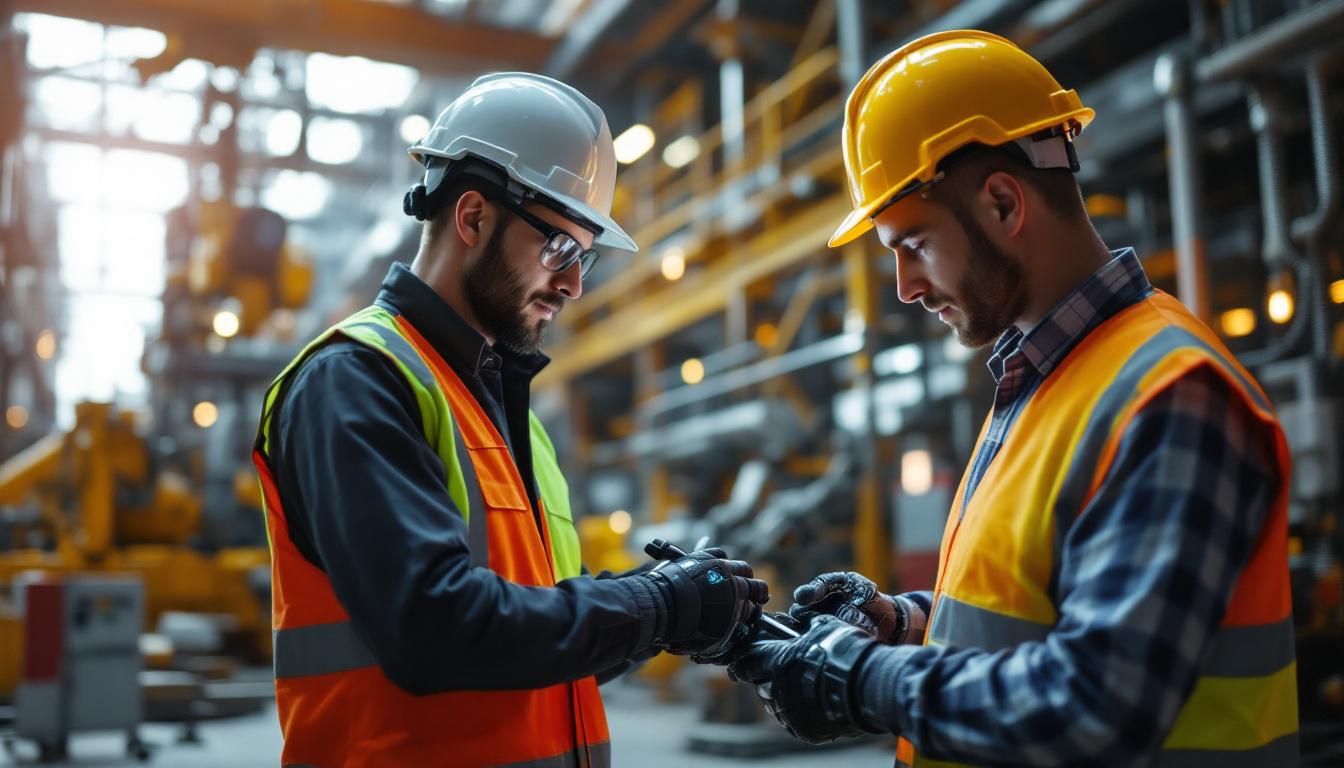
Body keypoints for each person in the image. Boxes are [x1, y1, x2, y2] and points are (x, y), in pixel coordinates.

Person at [726, 30, 1297, 767]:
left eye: (914, 245)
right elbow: (1034, 613)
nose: (905, 288)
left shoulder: (1170, 397)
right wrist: (897, 624)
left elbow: (1094, 702)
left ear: (1002, 203)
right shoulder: (1044, 378)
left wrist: (862, 679)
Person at [251, 72, 768, 767]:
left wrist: (681, 613)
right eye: (560, 249)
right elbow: (434, 628)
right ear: (472, 218)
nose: (574, 284)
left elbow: (544, 634)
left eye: (583, 257)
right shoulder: (354, 380)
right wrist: (656, 606)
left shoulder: (508, 416)